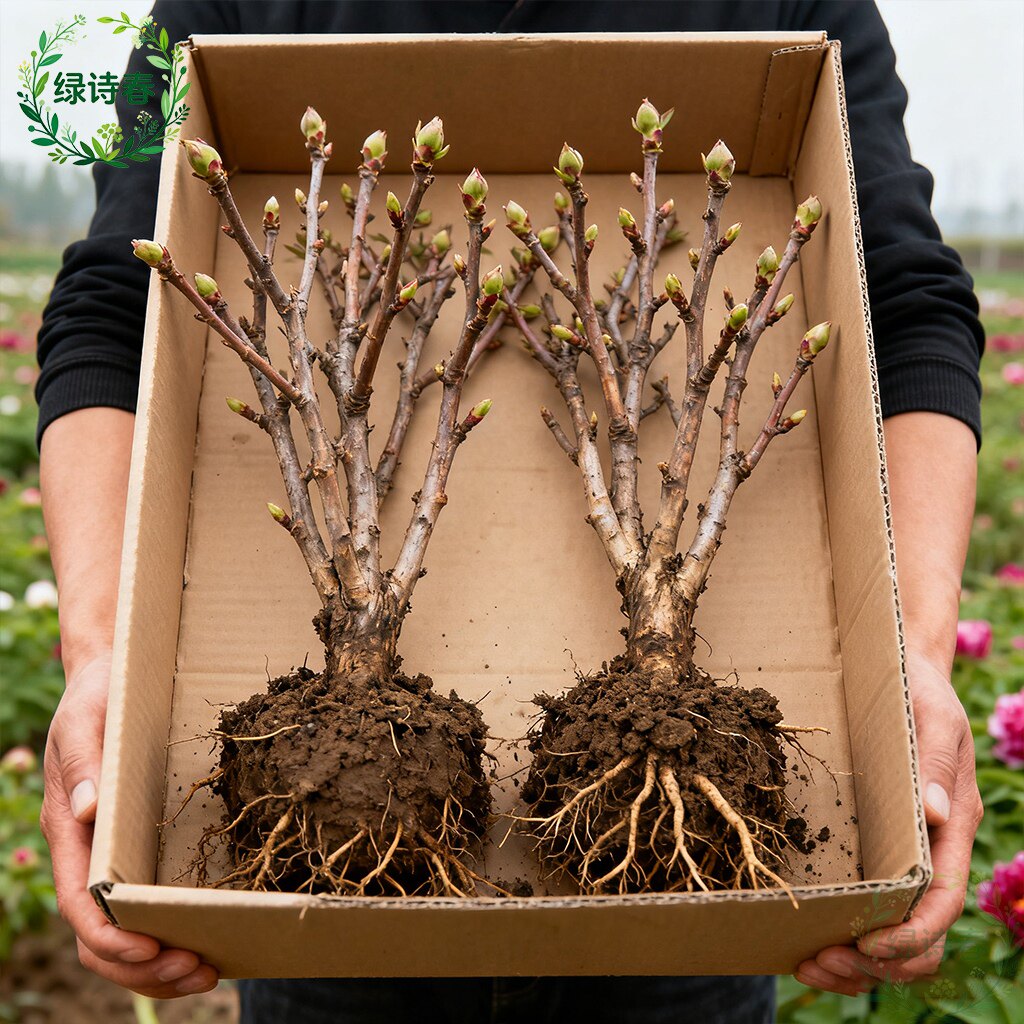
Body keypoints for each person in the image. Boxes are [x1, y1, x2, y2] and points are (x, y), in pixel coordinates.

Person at [35, 1, 984, 1020]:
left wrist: (911, 661)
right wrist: (101, 658)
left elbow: (903, 300)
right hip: (320, 931)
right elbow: (114, 301)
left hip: (693, 927)